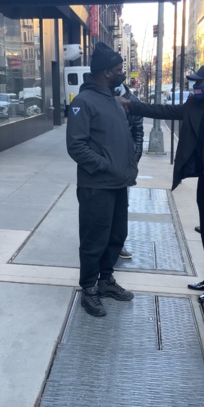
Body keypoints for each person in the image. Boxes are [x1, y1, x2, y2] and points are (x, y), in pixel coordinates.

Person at [120, 64, 204, 302]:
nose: (195, 86)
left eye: (200, 82)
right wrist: (132, 105)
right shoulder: (194, 104)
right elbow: (166, 110)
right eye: (195, 82)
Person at [66, 42, 138, 317]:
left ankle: (106, 281)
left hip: (117, 184)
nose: (123, 73)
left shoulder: (112, 98)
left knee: (116, 236)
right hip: (96, 186)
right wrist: (106, 166)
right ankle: (89, 289)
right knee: (94, 239)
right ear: (107, 72)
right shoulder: (83, 102)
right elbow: (76, 146)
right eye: (119, 69)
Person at [114, 82, 145, 259]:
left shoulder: (133, 101)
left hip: (126, 161)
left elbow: (138, 133)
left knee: (121, 204)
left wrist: (135, 158)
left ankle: (118, 243)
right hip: (107, 161)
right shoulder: (103, 97)